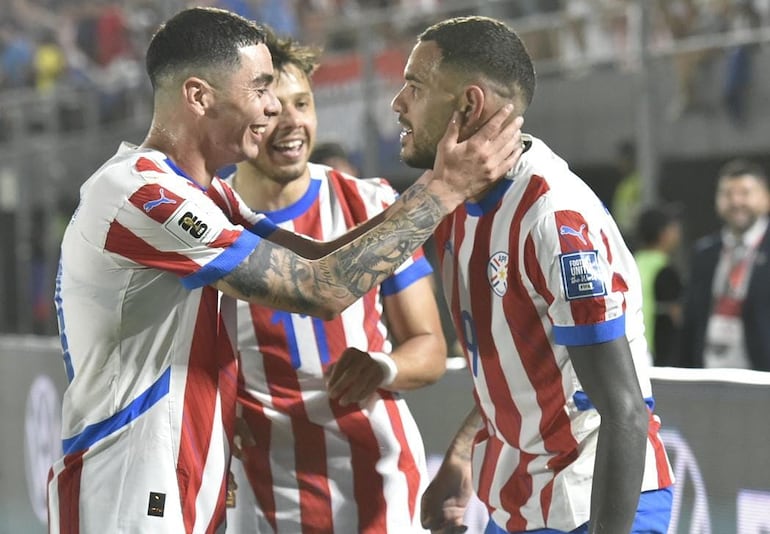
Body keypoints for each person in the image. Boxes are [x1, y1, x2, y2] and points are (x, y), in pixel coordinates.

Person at [47, 7, 525, 534]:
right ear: (199, 95)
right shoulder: (142, 194)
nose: (274, 108)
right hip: (128, 491)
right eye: (260, 89)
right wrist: (446, 188)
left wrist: (428, 184)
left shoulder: (208, 196)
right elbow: (323, 289)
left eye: (291, 97)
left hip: (182, 481)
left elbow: (319, 257)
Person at [389, 16, 675, 534]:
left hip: (595, 504)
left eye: (415, 86)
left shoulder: (555, 220)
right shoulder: (455, 200)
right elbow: (516, 369)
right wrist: (459, 456)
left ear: (469, 105)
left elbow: (625, 412)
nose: (397, 103)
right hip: (520, 499)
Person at [224, 30, 445, 533]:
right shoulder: (207, 219)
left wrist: (382, 367)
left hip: (374, 473)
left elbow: (430, 347)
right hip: (260, 483)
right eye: (273, 108)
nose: (293, 122)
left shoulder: (368, 204)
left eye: (302, 103)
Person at [680, 159, 770, 370]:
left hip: (761, 378)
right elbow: (690, 321)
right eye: (728, 194)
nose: (736, 202)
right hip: (710, 373)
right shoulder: (704, 253)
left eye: (745, 193)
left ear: (766, 198)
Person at [634, 205, 684, 367]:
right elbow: (677, 316)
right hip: (656, 353)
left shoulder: (633, 262)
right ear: (664, 234)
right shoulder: (665, 269)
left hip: (633, 346)